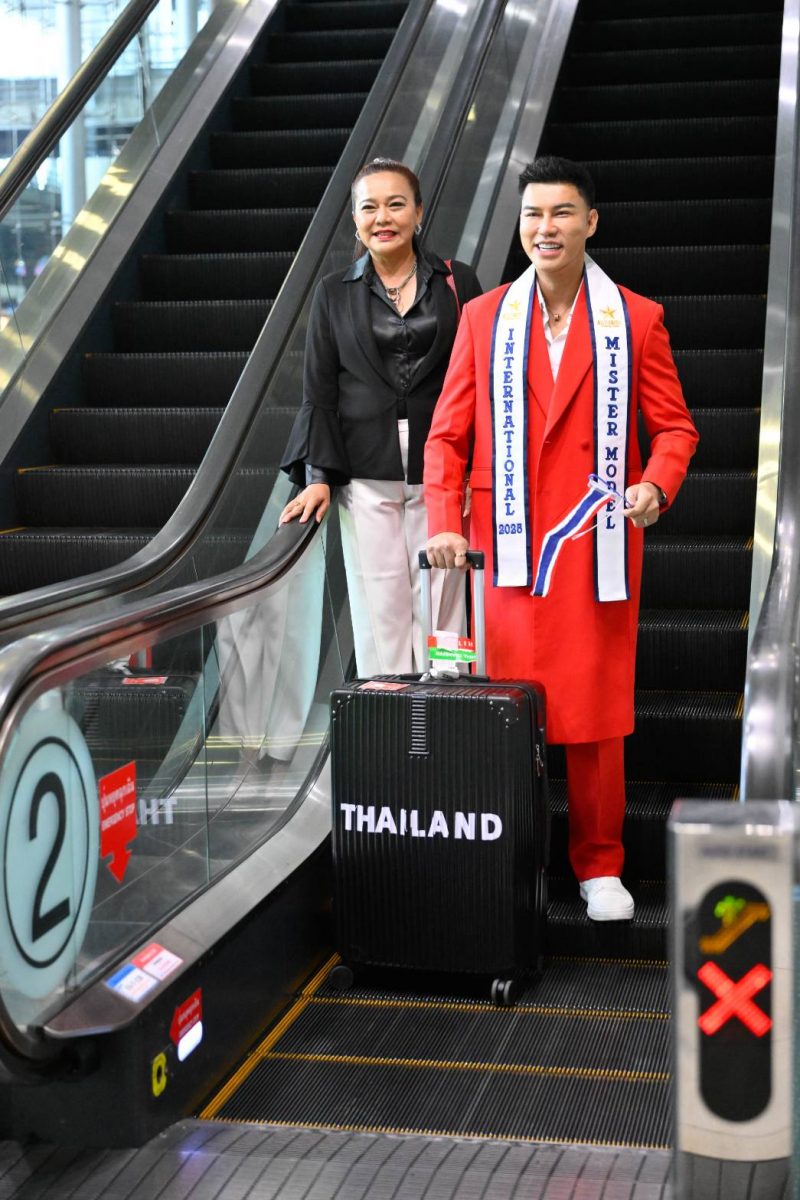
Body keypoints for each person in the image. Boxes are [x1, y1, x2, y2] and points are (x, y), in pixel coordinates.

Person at [424, 156, 699, 922]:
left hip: (595, 545)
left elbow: (675, 428)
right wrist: (443, 521)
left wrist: (656, 485)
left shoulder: (636, 318)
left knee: (596, 716)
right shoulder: (484, 319)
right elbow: (446, 437)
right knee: (507, 714)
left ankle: (600, 865)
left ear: (591, 222)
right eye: (533, 215)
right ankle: (511, 860)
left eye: (561, 213)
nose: (545, 228)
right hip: (507, 545)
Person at [280, 158, 482, 675]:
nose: (382, 218)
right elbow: (319, 389)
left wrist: (477, 468)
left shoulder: (457, 280)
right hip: (364, 471)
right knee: (380, 604)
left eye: (396, 204)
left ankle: (448, 700)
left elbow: (480, 379)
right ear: (355, 219)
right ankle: (389, 705)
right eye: (369, 207)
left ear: (419, 212)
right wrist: (317, 476)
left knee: (446, 598)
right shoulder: (334, 291)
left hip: (445, 470)